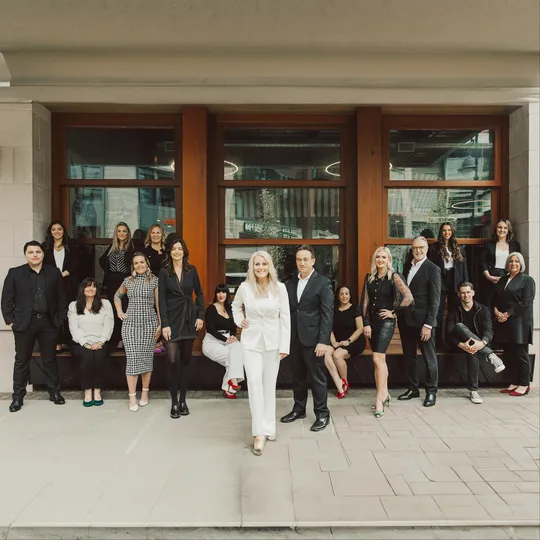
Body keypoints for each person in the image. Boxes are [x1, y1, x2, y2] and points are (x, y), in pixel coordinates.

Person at [232, 251, 290, 456]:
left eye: (264, 264)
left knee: (268, 385)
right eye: (257, 264)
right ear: (252, 267)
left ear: (270, 266)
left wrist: (285, 345)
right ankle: (258, 432)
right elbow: (235, 306)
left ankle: (269, 428)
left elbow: (286, 317)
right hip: (251, 342)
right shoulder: (244, 287)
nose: (260, 267)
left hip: (273, 343)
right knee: (255, 382)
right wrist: (239, 321)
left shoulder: (280, 288)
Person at [1, 241, 68, 412]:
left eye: (38, 251)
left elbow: (62, 298)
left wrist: (59, 320)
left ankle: (54, 393)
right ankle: (17, 397)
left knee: (49, 359)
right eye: (30, 252)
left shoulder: (54, 273)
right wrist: (10, 321)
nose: (35, 255)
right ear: (25, 255)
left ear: (43, 254)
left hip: (48, 323)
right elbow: (6, 300)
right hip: (24, 323)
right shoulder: (15, 273)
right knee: (22, 361)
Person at [281, 245, 334, 432]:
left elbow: (327, 315)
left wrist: (323, 341)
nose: (302, 263)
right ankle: (299, 409)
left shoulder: (323, 283)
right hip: (294, 338)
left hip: (314, 340)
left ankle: (322, 414)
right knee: (297, 376)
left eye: (305, 259)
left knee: (317, 378)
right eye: (299, 259)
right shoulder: (290, 283)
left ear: (313, 261)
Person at [361, 247, 413, 417]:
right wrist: (366, 323)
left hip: (386, 322)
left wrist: (394, 312)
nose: (380, 260)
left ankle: (379, 398)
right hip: (372, 323)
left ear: (389, 259)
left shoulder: (394, 276)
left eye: (384, 257)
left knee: (377, 358)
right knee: (379, 360)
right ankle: (384, 393)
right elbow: (364, 303)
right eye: (378, 257)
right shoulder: (369, 278)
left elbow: (409, 297)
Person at [158, 238, 204, 419]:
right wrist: (165, 324)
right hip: (171, 319)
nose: (177, 251)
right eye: (173, 249)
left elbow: (199, 293)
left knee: (185, 360)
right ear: (169, 252)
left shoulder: (191, 270)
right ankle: (174, 402)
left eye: (180, 248)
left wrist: (200, 315)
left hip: (188, 318)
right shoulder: (164, 272)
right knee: (171, 360)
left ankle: (183, 400)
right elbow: (161, 299)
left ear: (184, 251)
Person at [398, 236, 441, 407]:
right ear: (412, 249)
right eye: (415, 247)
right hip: (406, 320)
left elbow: (435, 300)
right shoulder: (407, 266)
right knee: (409, 357)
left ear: (427, 249)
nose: (418, 250)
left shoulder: (433, 269)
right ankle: (413, 388)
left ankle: (431, 392)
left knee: (429, 358)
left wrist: (429, 325)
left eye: (421, 247)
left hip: (424, 323)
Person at [114, 252, 160, 412]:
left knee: (147, 359)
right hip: (130, 325)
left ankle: (145, 393)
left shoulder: (154, 280)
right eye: (136, 263)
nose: (139, 265)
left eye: (142, 262)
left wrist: (160, 324)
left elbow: (158, 305)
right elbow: (117, 296)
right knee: (132, 360)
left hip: (149, 324)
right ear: (132, 266)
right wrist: (120, 311)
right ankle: (132, 396)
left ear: (147, 263)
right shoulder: (128, 281)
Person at [447, 281, 506, 404]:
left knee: (473, 351)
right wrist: (461, 345)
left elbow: (488, 330)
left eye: (468, 292)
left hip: (480, 344)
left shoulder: (483, 309)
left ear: (473, 293)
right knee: (459, 326)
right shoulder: (454, 310)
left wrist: (482, 343)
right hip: (460, 345)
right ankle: (490, 354)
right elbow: (448, 333)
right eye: (463, 293)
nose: (466, 295)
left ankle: (473, 391)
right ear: (458, 294)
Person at [493, 252, 536, 396]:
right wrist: (496, 311)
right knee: (509, 353)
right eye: (511, 261)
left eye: (517, 261)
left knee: (520, 354)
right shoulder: (503, 279)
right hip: (504, 322)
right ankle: (515, 381)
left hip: (520, 322)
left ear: (521, 264)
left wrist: (507, 314)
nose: (513, 264)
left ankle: (524, 384)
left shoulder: (527, 280)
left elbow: (526, 302)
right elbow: (495, 298)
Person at [68, 278, 114, 407]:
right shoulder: (74, 305)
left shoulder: (105, 304)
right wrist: (85, 343)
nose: (90, 289)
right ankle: (87, 392)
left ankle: (97, 391)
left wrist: (101, 341)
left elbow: (109, 325)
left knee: (99, 357)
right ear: (82, 289)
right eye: (87, 286)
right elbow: (73, 327)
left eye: (93, 286)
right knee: (87, 357)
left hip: (101, 341)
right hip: (80, 342)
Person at [428, 222, 468, 348]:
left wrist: (466, 283)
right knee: (438, 312)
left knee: (453, 312)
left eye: (449, 230)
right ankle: (437, 342)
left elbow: (464, 268)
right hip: (440, 280)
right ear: (441, 232)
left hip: (455, 281)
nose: (447, 233)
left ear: (452, 232)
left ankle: (452, 342)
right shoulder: (434, 248)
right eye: (444, 230)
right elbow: (430, 267)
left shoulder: (458, 247)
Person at [202, 284, 244, 399]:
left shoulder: (229, 309)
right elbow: (211, 329)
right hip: (212, 342)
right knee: (232, 357)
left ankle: (230, 385)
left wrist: (233, 336)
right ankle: (232, 383)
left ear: (227, 294)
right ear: (215, 294)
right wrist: (226, 339)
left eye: (223, 292)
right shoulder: (211, 309)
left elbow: (233, 327)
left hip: (227, 339)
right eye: (218, 292)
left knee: (237, 348)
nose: (221, 295)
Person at [43, 220, 79, 350]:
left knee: (69, 310)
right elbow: (43, 264)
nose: (57, 232)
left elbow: (77, 263)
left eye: (59, 229)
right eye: (54, 229)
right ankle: (57, 341)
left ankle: (68, 340)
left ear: (64, 231)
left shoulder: (71, 245)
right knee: (53, 311)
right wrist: (54, 276)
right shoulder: (45, 247)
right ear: (50, 232)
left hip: (68, 282)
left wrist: (63, 274)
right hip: (51, 283)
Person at [324, 285, 366, 399]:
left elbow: (360, 329)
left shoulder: (355, 308)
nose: (344, 296)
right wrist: (334, 342)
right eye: (341, 294)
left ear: (350, 296)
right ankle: (338, 382)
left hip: (354, 341)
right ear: (338, 296)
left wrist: (348, 341)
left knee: (337, 355)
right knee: (326, 353)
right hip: (338, 342)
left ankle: (344, 382)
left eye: (346, 294)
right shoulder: (334, 310)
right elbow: (329, 328)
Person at [99, 222, 134, 350]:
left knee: (126, 308)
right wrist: (109, 272)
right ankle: (116, 338)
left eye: (124, 231)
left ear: (128, 233)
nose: (121, 233)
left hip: (126, 280)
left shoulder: (132, 247)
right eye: (119, 231)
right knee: (114, 309)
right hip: (112, 281)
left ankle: (126, 339)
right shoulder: (112, 247)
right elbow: (102, 260)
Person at [480, 219, 521, 305]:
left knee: (506, 303)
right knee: (490, 303)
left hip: (508, 276)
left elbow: (518, 263)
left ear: (508, 230)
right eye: (499, 227)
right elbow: (483, 262)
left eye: (505, 228)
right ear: (496, 229)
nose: (502, 230)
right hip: (492, 276)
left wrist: (509, 277)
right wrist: (489, 277)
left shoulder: (515, 245)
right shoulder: (489, 244)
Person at [143, 224, 167, 353]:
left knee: (165, 310)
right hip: (151, 285)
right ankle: (154, 341)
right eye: (153, 233)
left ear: (162, 235)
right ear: (150, 235)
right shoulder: (145, 251)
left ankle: (164, 340)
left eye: (158, 232)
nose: (156, 235)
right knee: (153, 312)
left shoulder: (167, 251)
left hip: (166, 284)